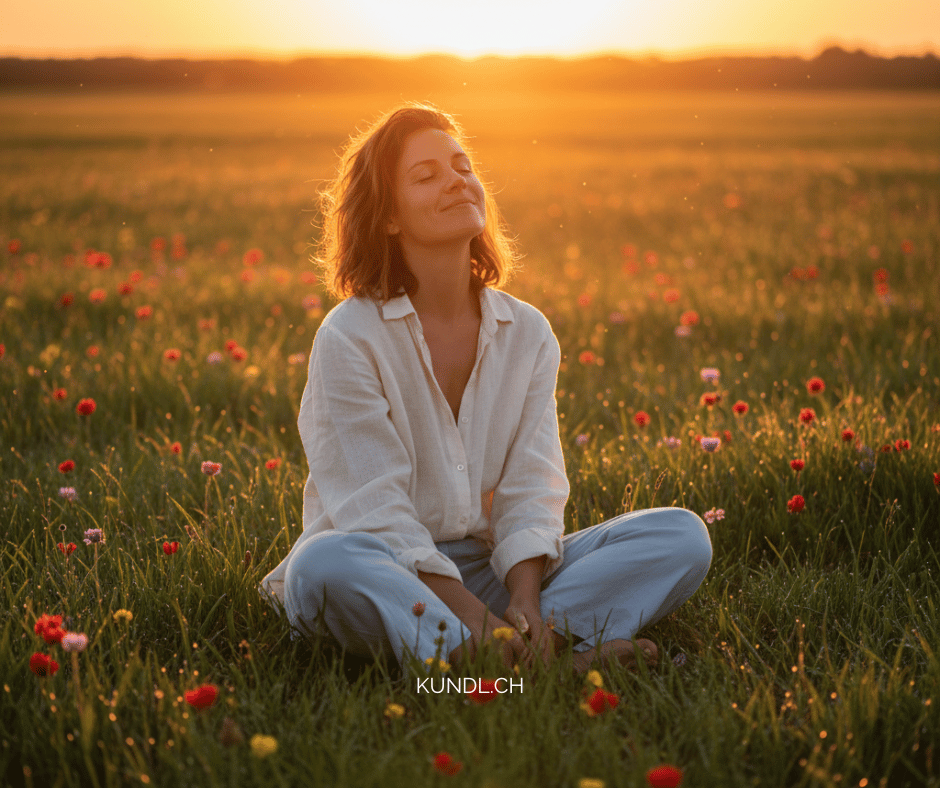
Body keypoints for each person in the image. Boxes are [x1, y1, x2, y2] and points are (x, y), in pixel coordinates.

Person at [260, 102, 712, 675]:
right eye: (426, 176)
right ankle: (544, 666)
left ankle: (504, 651)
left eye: (462, 166)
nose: (456, 180)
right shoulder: (350, 336)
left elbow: (530, 484)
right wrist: (473, 614)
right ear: (389, 218)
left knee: (680, 536)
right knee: (321, 568)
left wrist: (522, 596)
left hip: (485, 571)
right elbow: (373, 511)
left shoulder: (527, 332)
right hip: (385, 567)